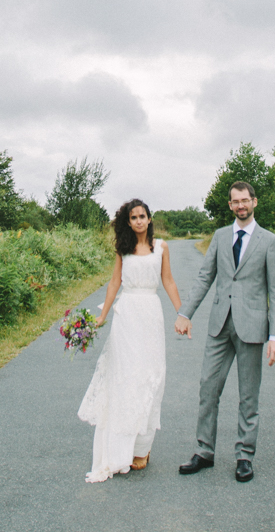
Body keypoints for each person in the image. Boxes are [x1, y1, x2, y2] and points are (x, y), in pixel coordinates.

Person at [173, 181, 275, 483]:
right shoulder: (220, 237)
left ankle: (244, 456)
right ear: (230, 205)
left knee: (249, 396)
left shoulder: (269, 241)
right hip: (220, 325)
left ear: (254, 202)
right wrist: (185, 313)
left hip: (252, 328)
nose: (240, 206)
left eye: (245, 200)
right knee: (208, 388)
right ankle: (204, 451)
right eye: (235, 201)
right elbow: (205, 277)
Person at [77, 198, 185, 482]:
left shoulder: (161, 247)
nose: (138, 221)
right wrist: (102, 316)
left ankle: (143, 446)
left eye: (143, 216)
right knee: (126, 377)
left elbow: (169, 281)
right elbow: (114, 282)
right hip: (127, 317)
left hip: (150, 313)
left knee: (151, 376)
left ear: (150, 219)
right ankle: (124, 446)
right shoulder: (122, 250)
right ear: (128, 221)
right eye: (133, 217)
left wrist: (183, 313)